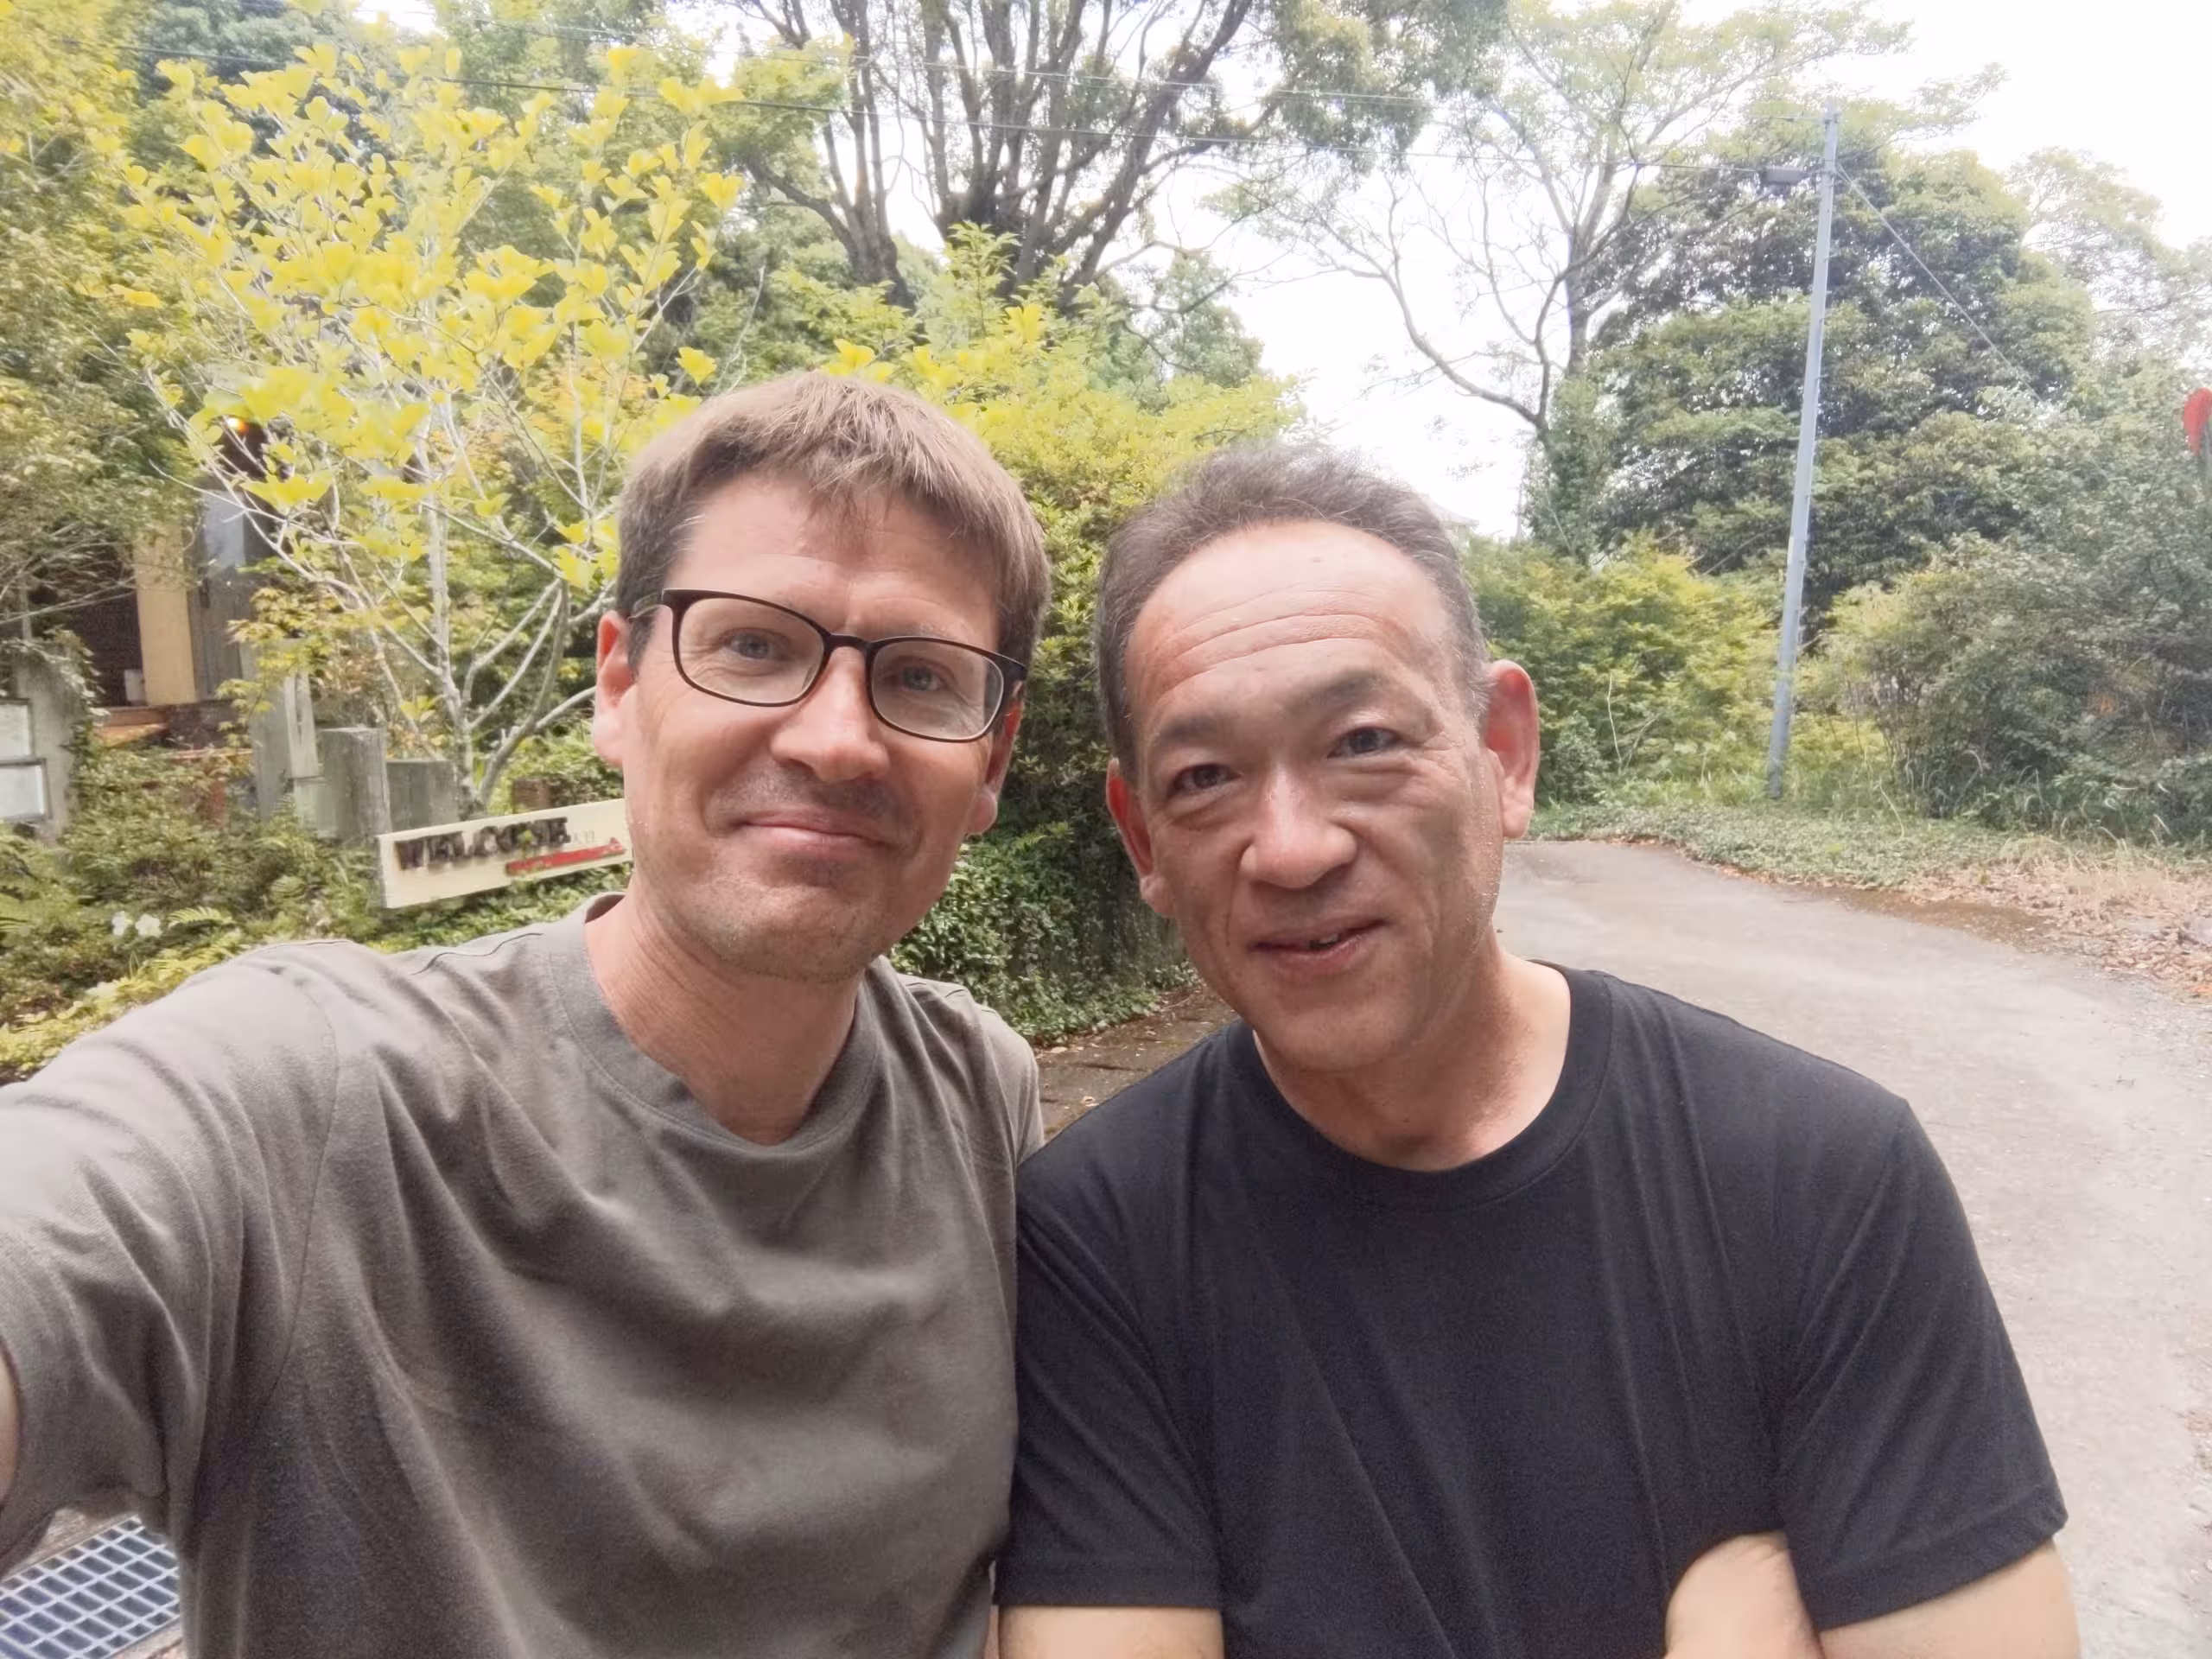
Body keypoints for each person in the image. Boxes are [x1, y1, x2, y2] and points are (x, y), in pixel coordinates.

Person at [0, 373, 1052, 1658]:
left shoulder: (976, 1096)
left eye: (923, 676)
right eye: (753, 647)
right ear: (619, 686)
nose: (836, 740)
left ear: (990, 759)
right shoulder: (305, 1096)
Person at [995, 446, 2077, 1659]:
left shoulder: (1821, 1177)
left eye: (1363, 740)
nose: (1291, 849)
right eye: (1205, 777)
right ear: (1143, 839)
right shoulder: (1099, 1236)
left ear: (1503, 751)